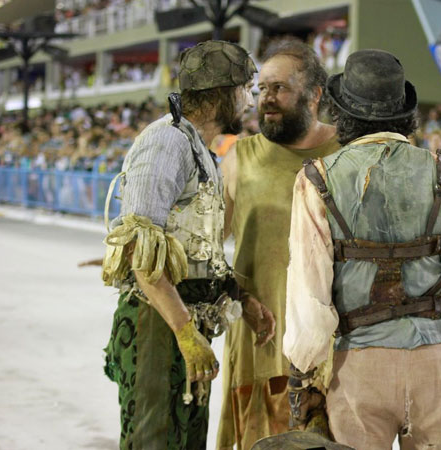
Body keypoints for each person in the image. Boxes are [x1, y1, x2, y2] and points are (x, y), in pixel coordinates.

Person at [283, 49, 441, 450]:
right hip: (438, 363)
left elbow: (309, 294)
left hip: (358, 368)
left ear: (342, 113)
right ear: (405, 112)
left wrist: (302, 379)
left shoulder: (316, 180)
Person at [100, 41, 275, 450]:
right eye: (244, 90)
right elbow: (140, 251)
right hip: (158, 327)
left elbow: (197, 248)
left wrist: (238, 296)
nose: (249, 101)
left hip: (185, 327)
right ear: (220, 96)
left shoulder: (199, 148)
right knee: (155, 441)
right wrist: (183, 331)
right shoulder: (166, 143)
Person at [216, 40, 341, 450]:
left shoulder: (345, 154)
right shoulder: (240, 158)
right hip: (258, 340)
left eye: (279, 88)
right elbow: (209, 245)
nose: (266, 99)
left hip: (331, 348)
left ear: (315, 94)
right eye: (261, 89)